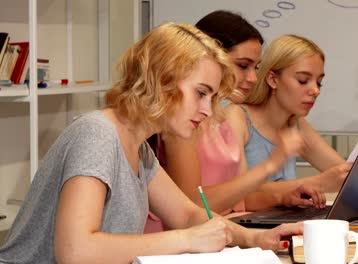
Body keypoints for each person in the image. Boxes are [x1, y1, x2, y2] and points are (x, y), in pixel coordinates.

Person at [0, 23, 303, 264]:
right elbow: (76, 251)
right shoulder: (98, 134)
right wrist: (186, 240)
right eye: (201, 93)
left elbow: (187, 214)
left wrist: (256, 239)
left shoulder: (139, 146)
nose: (208, 110)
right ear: (163, 81)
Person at [149, 11, 327, 221]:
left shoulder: (227, 117)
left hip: (219, 232)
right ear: (209, 59)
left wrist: (282, 197)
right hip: (182, 243)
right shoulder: (182, 123)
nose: (253, 78)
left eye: (256, 67)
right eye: (243, 66)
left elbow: (241, 198)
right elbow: (193, 206)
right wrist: (271, 164)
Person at [224, 34, 351, 201]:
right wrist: (318, 183)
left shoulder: (295, 122)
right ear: (273, 79)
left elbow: (344, 174)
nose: (315, 91)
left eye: (319, 82)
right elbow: (239, 194)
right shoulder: (237, 117)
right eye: (303, 80)